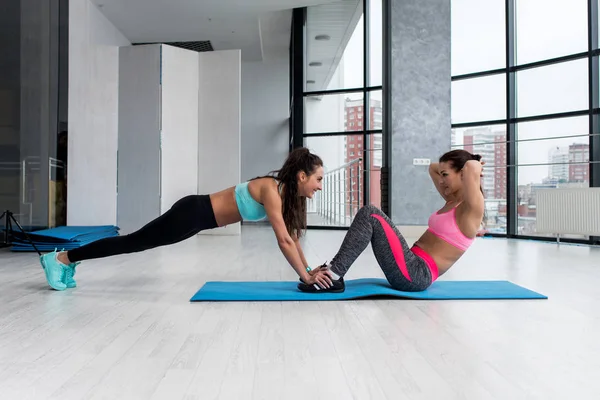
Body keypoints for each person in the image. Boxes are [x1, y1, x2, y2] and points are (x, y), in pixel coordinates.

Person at [39, 147, 334, 291]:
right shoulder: (272, 190)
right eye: (318, 179)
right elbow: (282, 239)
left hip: (196, 221)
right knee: (131, 243)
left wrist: (308, 269)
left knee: (135, 243)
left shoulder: (285, 197)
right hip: (193, 212)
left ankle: (67, 260)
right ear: (302, 176)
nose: (319, 185)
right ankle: (62, 259)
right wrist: (305, 277)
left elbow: (293, 238)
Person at [298, 149, 485, 293]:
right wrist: (452, 169)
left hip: (416, 274)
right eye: (442, 175)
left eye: (445, 175)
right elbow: (433, 167)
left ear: (463, 174)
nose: (441, 181)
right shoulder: (451, 201)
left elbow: (470, 167)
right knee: (370, 214)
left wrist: (474, 164)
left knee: (370, 214)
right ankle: (332, 272)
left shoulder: (471, 210)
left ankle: (333, 276)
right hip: (410, 263)